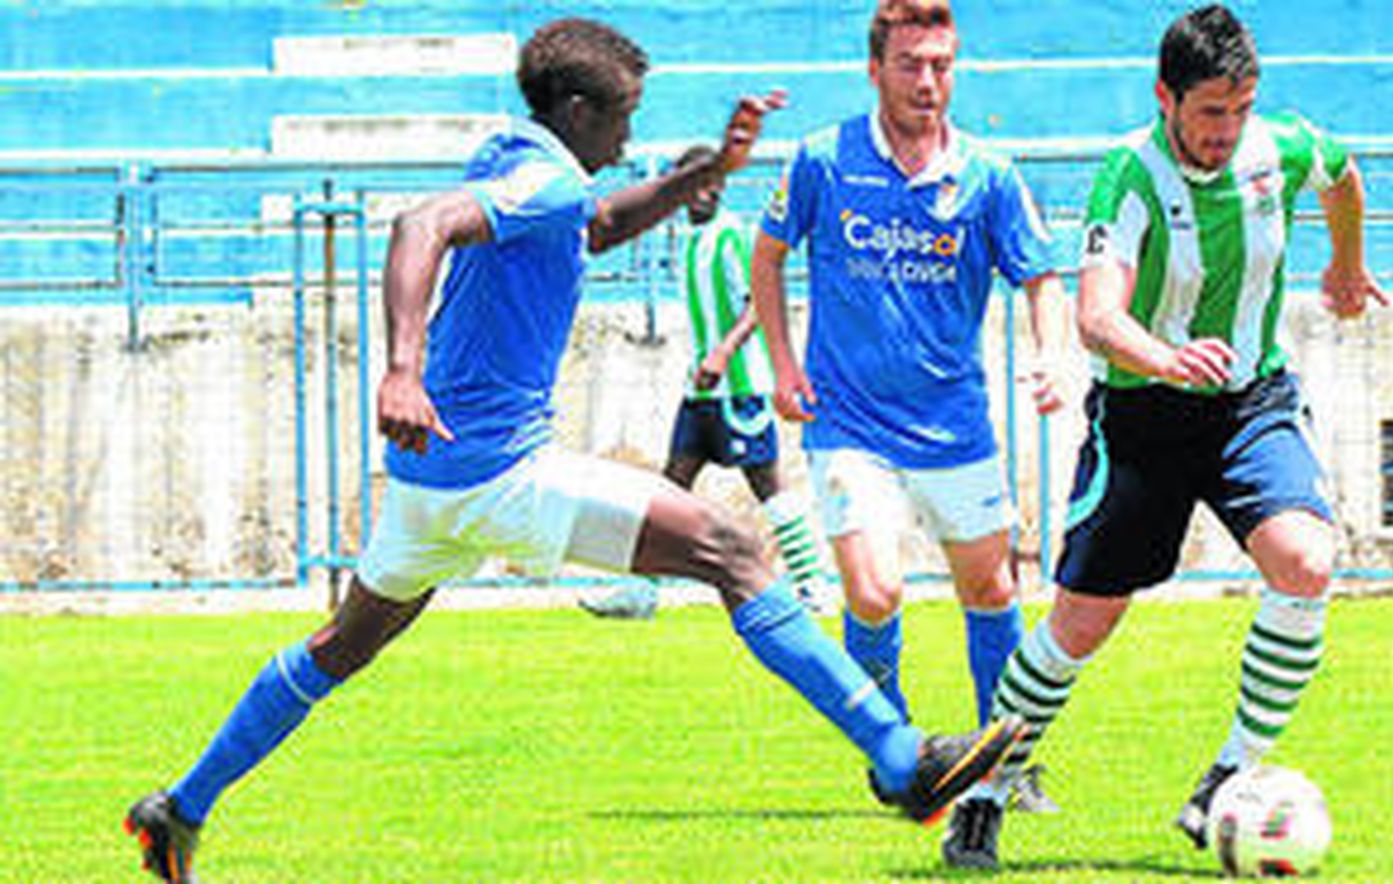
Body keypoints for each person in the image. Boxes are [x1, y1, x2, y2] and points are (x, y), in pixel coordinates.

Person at [122, 19, 1026, 883]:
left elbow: (590, 225)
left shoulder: (519, 164)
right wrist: (402, 370)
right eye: (625, 119)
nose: (630, 140)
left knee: (336, 650)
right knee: (731, 549)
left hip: (425, 487)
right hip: (496, 473)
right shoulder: (543, 182)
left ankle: (180, 808)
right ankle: (902, 760)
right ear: (581, 113)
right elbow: (419, 226)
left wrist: (706, 171)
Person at [939, 4, 1388, 869]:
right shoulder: (1130, 177)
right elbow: (1098, 317)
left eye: (1240, 110)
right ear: (1166, 97)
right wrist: (1169, 358)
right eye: (1210, 112)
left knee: (1308, 561)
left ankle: (1228, 780)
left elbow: (1340, 172)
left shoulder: (1279, 148)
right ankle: (987, 789)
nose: (1227, 132)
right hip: (1143, 415)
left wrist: (1347, 262)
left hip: (1250, 401)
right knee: (1081, 623)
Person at [750, 0, 1069, 809]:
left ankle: (1009, 764)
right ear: (874, 69)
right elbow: (768, 255)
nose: (928, 81)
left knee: (993, 593)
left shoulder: (989, 173)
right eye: (910, 64)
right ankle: (896, 755)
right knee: (872, 590)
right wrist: (782, 364)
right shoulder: (823, 159)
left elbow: (1040, 276)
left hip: (955, 425)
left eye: (941, 64)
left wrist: (1052, 352)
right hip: (849, 425)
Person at [581, 145, 830, 620]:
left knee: (770, 488)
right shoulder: (690, 239)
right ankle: (641, 592)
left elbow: (760, 299)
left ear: (721, 187)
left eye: (710, 184)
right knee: (669, 487)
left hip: (738, 388)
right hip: (701, 391)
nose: (702, 195)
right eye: (692, 186)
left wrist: (723, 351)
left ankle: (813, 584)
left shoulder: (731, 235)